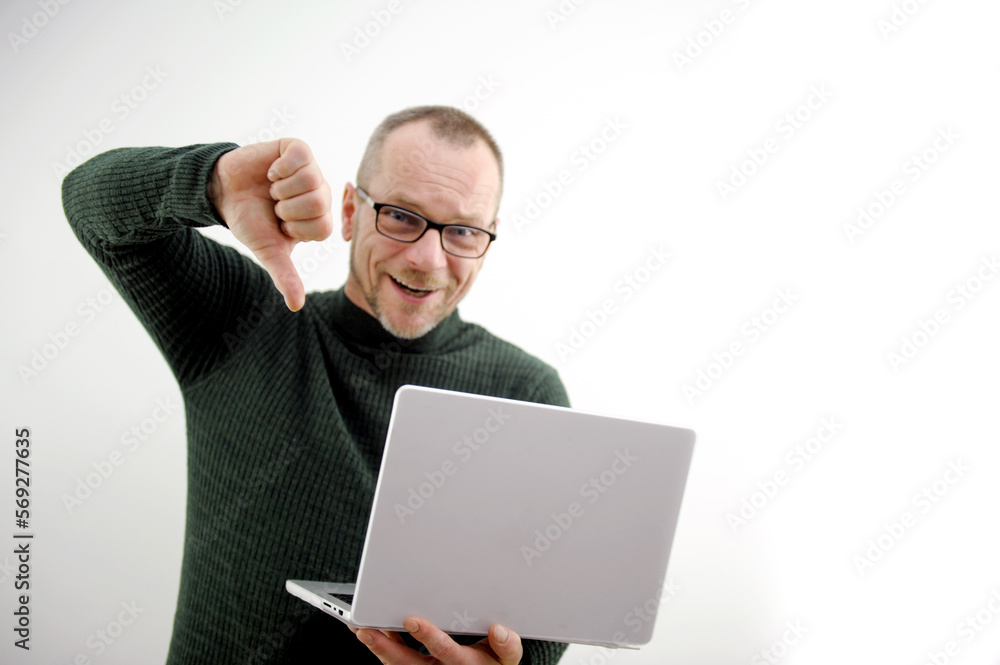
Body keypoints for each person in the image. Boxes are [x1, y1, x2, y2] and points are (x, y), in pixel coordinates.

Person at [62, 105, 571, 664]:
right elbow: (90, 203)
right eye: (402, 216)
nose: (429, 258)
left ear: (488, 239)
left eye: (463, 231)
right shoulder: (246, 321)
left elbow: (543, 621)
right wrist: (212, 182)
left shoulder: (527, 393)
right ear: (351, 212)